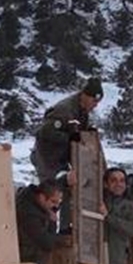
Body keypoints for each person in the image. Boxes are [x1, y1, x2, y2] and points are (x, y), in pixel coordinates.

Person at [31, 77, 104, 232]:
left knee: (69, 189)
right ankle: (46, 230)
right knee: (51, 195)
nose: (95, 105)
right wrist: (69, 138)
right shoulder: (64, 110)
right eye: (93, 100)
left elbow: (76, 132)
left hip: (62, 158)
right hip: (48, 159)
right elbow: (43, 132)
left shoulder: (82, 111)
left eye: (97, 102)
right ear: (85, 95)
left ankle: (65, 228)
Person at [15, 179, 64, 264]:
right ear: (42, 197)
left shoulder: (38, 207)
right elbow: (47, 243)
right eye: (53, 202)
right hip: (25, 263)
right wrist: (52, 222)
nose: (56, 207)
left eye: (58, 202)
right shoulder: (29, 214)